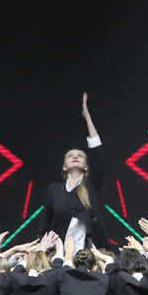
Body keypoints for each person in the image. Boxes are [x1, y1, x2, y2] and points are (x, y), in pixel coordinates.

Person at [36, 92, 109, 250]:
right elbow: (44, 224)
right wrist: (39, 249)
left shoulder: (90, 186)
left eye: (80, 156)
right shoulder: (54, 189)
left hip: (88, 254)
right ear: (64, 166)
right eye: (70, 155)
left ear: (86, 166)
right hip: (58, 253)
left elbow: (98, 154)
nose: (75, 156)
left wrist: (87, 116)